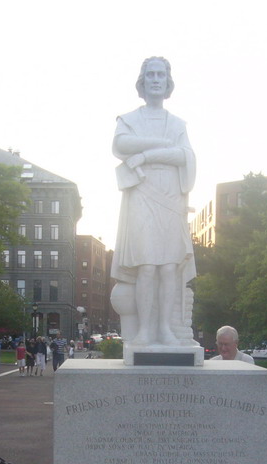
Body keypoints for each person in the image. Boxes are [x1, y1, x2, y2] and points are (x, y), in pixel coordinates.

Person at [110, 56, 197, 348]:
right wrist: (161, 145)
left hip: (171, 194)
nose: (156, 79)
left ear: (168, 80)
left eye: (161, 74)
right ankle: (145, 331)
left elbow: (184, 156)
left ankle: (165, 330)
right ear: (143, 81)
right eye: (151, 75)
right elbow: (121, 146)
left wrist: (146, 155)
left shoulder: (177, 123)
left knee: (169, 266)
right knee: (146, 265)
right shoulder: (129, 119)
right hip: (142, 193)